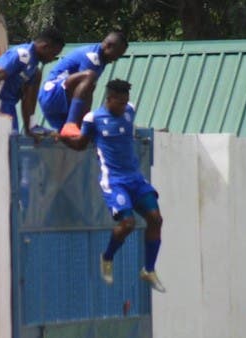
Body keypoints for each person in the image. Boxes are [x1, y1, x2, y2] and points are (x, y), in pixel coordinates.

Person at [60, 79, 165, 292]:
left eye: (126, 102)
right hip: (114, 180)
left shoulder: (130, 110)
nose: (123, 107)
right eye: (119, 103)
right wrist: (61, 138)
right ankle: (107, 258)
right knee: (128, 224)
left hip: (135, 178)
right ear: (109, 99)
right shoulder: (93, 118)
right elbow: (81, 144)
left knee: (156, 218)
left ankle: (149, 269)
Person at [38, 31, 128, 137]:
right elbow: (86, 91)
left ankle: (70, 126)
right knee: (89, 76)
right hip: (52, 94)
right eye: (117, 54)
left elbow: (87, 91)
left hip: (61, 103)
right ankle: (71, 123)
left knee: (72, 139)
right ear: (108, 46)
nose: (116, 58)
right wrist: (85, 121)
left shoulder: (101, 60)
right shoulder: (92, 57)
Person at [0, 27, 64, 134]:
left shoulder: (34, 69)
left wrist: (30, 128)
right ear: (45, 47)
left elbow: (27, 100)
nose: (51, 60)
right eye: (53, 55)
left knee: (13, 142)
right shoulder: (22, 55)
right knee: (6, 143)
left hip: (8, 105)